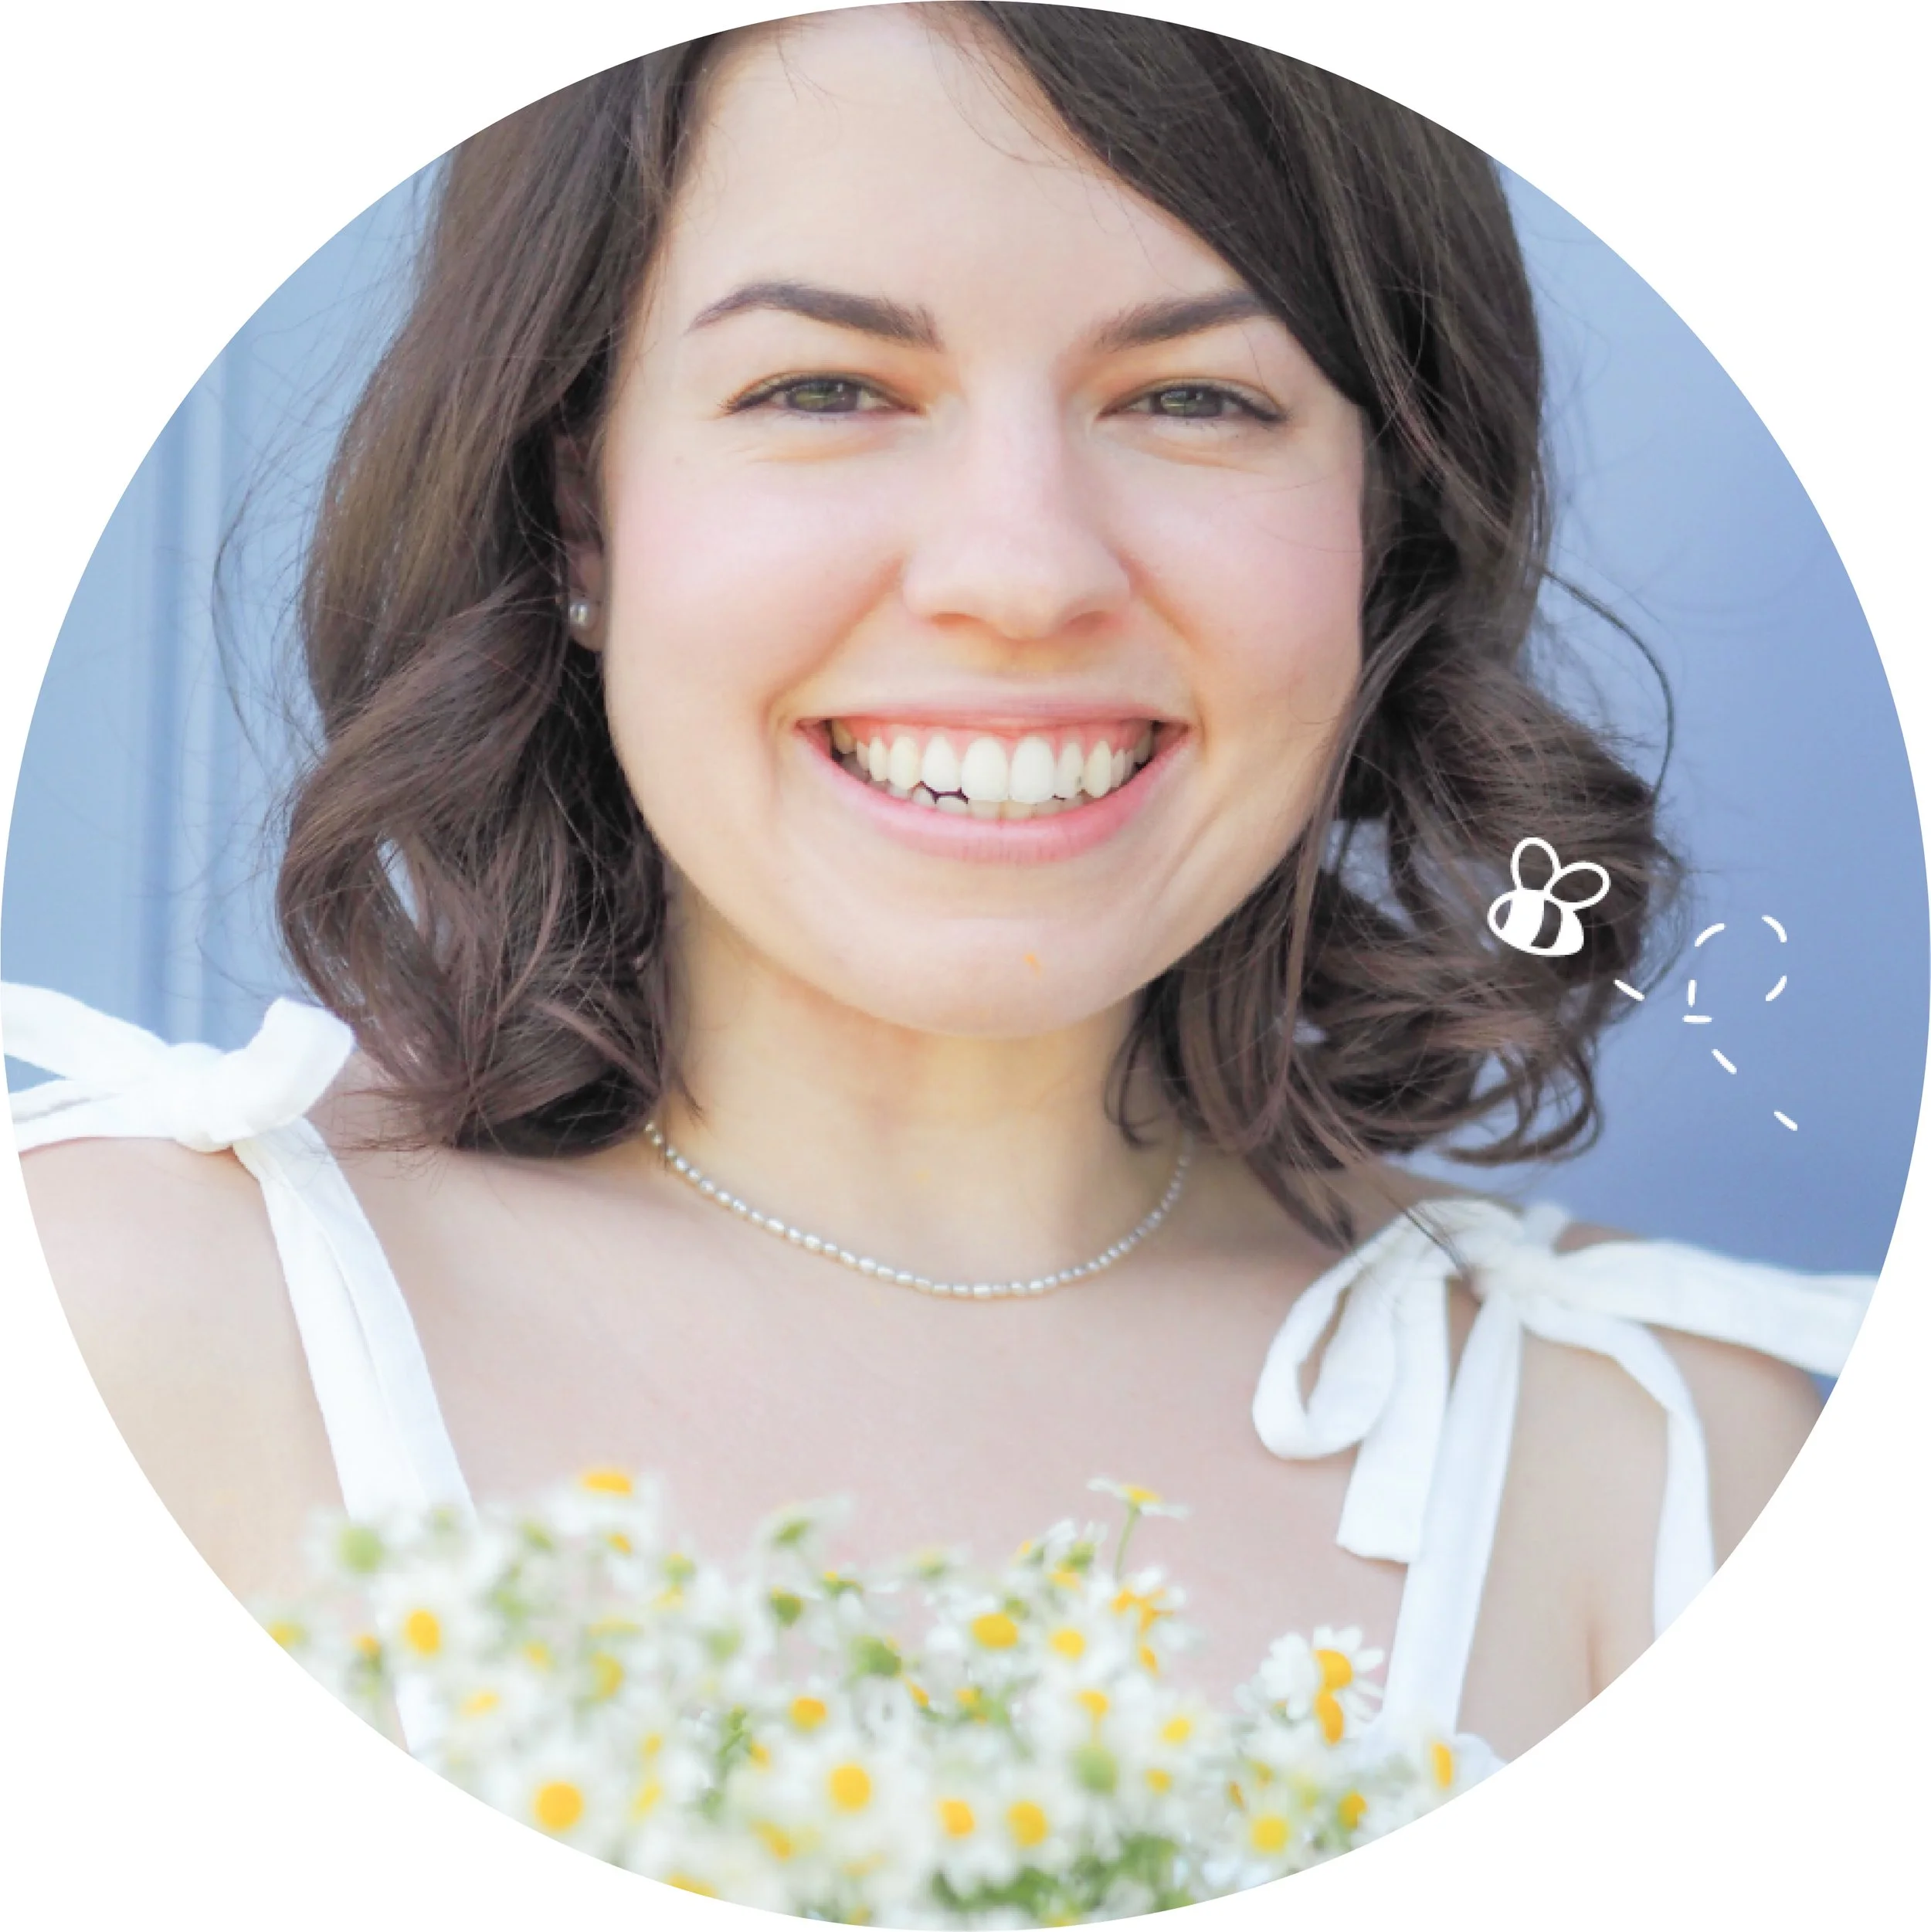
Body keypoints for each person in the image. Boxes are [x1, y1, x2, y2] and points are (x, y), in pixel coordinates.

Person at [8, 0, 1868, 1791]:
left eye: (1195, 396)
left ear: (1386, 533)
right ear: (580, 512)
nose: (1020, 570)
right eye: (821, 386)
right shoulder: (113, 1326)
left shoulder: (1663, 1472)